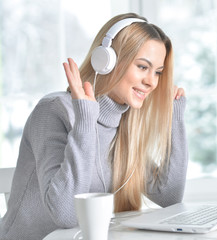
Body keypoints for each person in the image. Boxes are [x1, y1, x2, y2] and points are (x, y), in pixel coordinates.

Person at [0, 13, 188, 240]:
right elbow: (66, 214)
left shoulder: (126, 123)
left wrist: (174, 117)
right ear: (107, 61)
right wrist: (86, 122)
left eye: (157, 72)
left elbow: (169, 196)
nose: (152, 82)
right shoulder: (53, 111)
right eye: (142, 67)